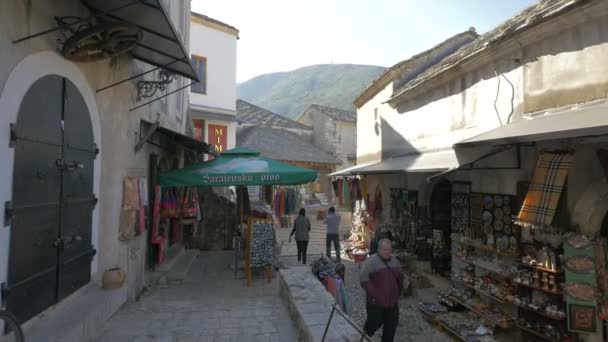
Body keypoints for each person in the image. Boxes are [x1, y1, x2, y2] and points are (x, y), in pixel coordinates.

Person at [360, 239, 403, 342]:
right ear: (379, 249)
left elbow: (399, 277)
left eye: (389, 249)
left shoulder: (395, 261)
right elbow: (363, 279)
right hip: (376, 304)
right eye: (385, 249)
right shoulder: (370, 262)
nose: (387, 252)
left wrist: (399, 291)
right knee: (371, 327)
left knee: (390, 331)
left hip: (392, 305)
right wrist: (375, 294)